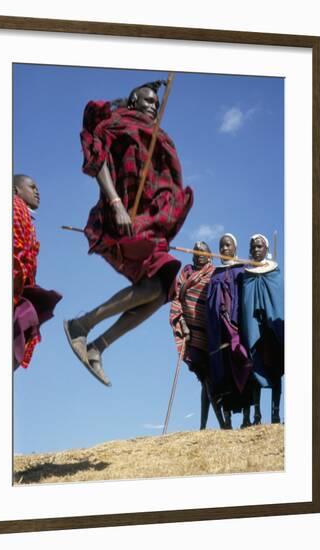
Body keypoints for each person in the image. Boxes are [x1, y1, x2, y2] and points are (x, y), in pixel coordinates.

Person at [64, 80, 193, 386]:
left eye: (156, 104)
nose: (153, 106)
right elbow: (98, 161)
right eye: (147, 100)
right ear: (134, 100)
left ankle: (95, 345)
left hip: (149, 221)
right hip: (123, 216)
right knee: (158, 282)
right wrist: (116, 202)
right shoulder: (117, 124)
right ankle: (81, 325)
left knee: (160, 292)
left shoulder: (158, 136)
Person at [169, 241, 225, 429]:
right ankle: (220, 423)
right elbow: (176, 299)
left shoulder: (215, 274)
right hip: (191, 334)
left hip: (211, 333)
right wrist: (183, 323)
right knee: (205, 377)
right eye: (196, 252)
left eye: (203, 252)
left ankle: (204, 425)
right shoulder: (185, 273)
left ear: (210, 255)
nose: (199, 254)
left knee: (207, 381)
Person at [13, 174, 62, 371]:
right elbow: (15, 250)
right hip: (15, 286)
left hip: (19, 287)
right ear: (16, 190)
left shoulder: (24, 214)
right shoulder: (15, 207)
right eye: (32, 187)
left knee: (25, 327)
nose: (37, 191)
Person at [206, 233, 254, 429]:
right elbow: (209, 303)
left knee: (244, 366)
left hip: (239, 328)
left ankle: (246, 417)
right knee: (223, 373)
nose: (224, 249)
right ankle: (227, 420)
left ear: (235, 248)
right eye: (221, 246)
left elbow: (248, 297)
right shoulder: (215, 274)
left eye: (228, 246)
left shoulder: (244, 269)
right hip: (220, 332)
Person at [241, 234, 284, 424]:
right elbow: (244, 302)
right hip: (254, 329)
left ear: (266, 249)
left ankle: (275, 413)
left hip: (271, 330)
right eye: (253, 247)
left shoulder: (275, 273)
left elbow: (279, 299)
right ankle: (257, 414)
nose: (256, 250)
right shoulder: (246, 275)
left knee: (275, 369)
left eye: (259, 247)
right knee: (254, 369)